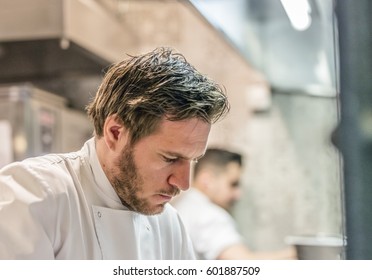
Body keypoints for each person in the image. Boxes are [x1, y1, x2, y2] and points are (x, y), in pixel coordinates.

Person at [0, 47, 230, 259]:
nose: (183, 182)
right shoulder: (33, 196)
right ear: (115, 133)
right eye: (170, 158)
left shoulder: (169, 226)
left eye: (193, 160)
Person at [173, 148, 296, 260]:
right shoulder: (208, 215)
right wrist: (297, 253)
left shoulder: (183, 207)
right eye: (233, 184)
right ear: (207, 180)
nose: (238, 194)